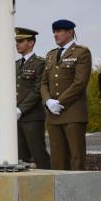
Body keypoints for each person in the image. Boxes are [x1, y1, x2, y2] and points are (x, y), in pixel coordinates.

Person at [41, 19, 92, 170]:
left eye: (59, 31)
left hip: (73, 113)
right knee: (57, 158)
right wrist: (48, 101)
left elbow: (80, 82)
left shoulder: (81, 52)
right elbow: (43, 83)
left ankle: (77, 192)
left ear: (70, 32)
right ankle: (59, 192)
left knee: (76, 156)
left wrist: (60, 102)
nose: (55, 35)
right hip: (53, 115)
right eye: (54, 32)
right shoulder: (51, 55)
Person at [15, 27, 51, 169]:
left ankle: (47, 184)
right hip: (17, 116)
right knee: (21, 156)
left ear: (31, 43)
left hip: (32, 116)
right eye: (16, 41)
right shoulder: (16, 64)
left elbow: (38, 90)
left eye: (20, 41)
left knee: (38, 154)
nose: (17, 44)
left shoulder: (39, 63)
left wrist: (21, 109)